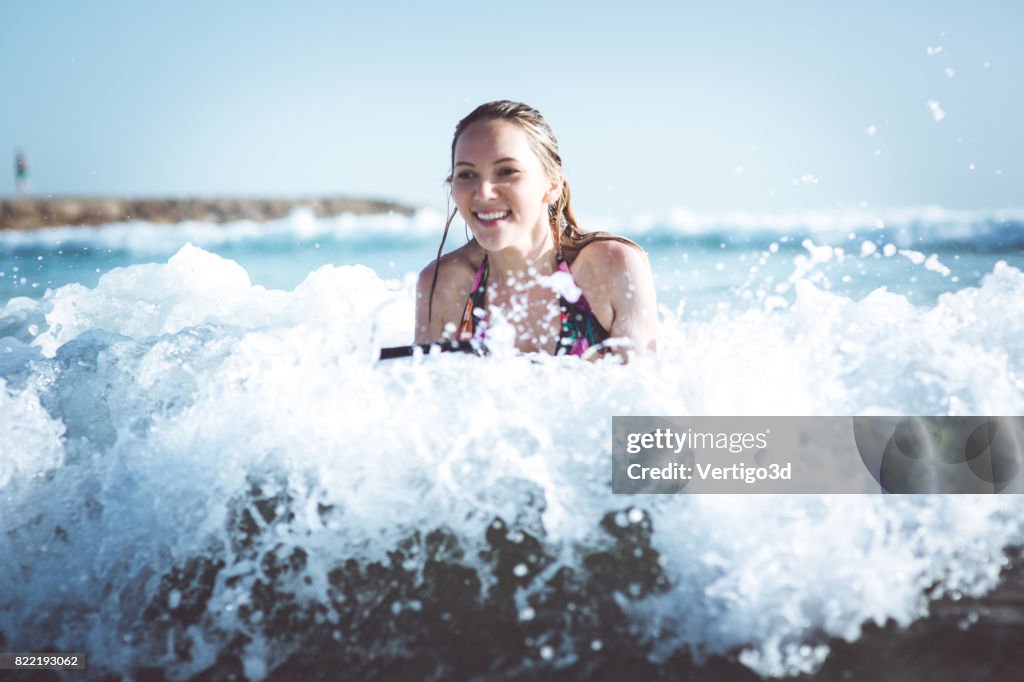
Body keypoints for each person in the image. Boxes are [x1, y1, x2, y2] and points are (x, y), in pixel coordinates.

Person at [415, 101, 657, 360]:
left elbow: (638, 391)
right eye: (466, 174)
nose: (484, 192)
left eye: (506, 171)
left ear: (552, 184)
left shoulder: (609, 267)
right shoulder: (445, 283)